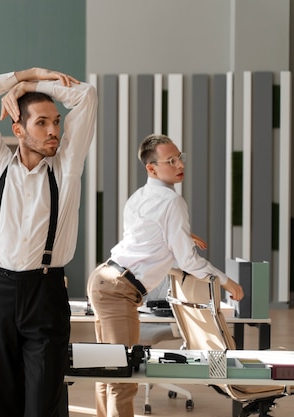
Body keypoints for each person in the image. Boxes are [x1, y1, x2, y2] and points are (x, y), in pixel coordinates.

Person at [0, 67, 97, 417]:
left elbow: (86, 95)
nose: (54, 130)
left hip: (46, 292)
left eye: (57, 121)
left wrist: (31, 85)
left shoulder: (66, 168)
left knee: (43, 403)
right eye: (42, 122)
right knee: (2, 402)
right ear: (18, 128)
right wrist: (23, 75)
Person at [86, 133, 245, 417]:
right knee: (122, 377)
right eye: (170, 160)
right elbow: (187, 260)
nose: (179, 164)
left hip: (104, 279)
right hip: (117, 290)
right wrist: (225, 280)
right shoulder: (172, 203)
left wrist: (180, 236)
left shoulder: (138, 197)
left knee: (107, 369)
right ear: (152, 168)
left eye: (179, 157)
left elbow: (148, 243)